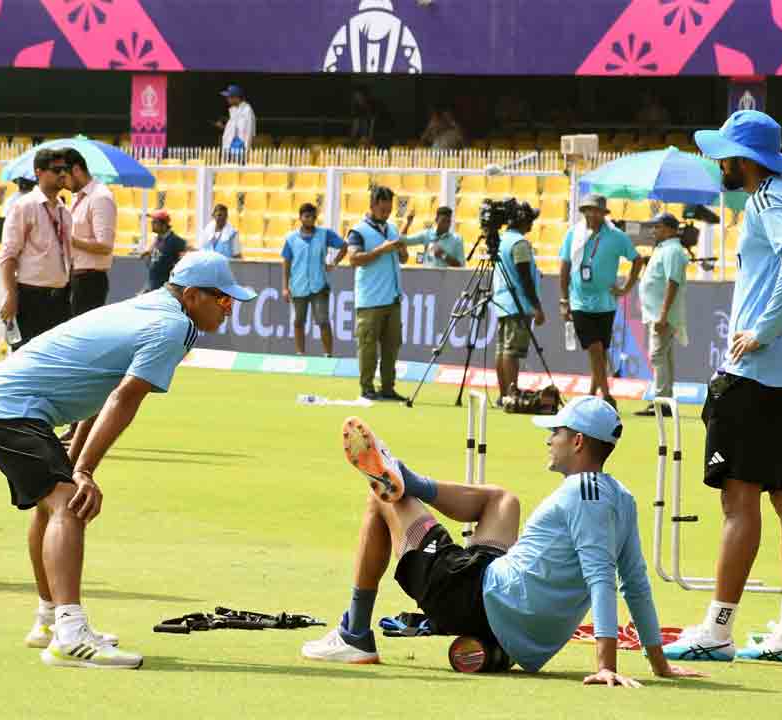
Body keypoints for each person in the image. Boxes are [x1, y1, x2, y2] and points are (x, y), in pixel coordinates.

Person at [0, 251, 255, 668]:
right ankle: (69, 636)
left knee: (55, 502)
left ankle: (50, 621)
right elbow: (124, 398)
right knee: (69, 503)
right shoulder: (172, 326)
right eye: (223, 300)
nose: (229, 309)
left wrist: (79, 463)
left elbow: (104, 391)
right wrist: (82, 471)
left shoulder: (151, 306)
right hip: (9, 406)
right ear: (192, 296)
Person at [300, 398, 708, 687]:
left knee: (381, 498)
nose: (549, 439)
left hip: (469, 595)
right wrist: (659, 663)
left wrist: (606, 665)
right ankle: (409, 479)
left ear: (578, 442)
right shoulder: (621, 496)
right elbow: (635, 583)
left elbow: (602, 578)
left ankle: (354, 634)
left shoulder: (579, 494)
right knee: (503, 500)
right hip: (513, 623)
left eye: (556, 432)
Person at [663, 110, 782, 664]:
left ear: (743, 160)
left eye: (724, 153)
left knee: (738, 502)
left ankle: (717, 630)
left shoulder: (767, 200)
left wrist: (768, 329)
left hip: (755, 376)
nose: (719, 162)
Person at [558, 194, 645, 409]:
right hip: (579, 302)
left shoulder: (616, 236)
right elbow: (564, 266)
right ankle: (607, 396)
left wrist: (626, 288)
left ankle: (590, 394)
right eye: (588, 210)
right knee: (595, 348)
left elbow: (637, 260)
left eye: (596, 210)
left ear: (603, 214)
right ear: (584, 212)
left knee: (600, 350)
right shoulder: (573, 234)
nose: (592, 214)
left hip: (606, 303)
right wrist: (564, 299)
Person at [0, 149, 73, 350]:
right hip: (31, 298)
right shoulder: (25, 206)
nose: (62, 174)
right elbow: (8, 256)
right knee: (26, 360)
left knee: (57, 361)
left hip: (61, 298)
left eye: (65, 169)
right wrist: (11, 295)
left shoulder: (64, 211)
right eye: (56, 170)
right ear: (39, 172)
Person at [349, 186, 414, 401]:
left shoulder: (392, 229)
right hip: (370, 300)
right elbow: (353, 259)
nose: (386, 214)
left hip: (392, 299)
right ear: (372, 205)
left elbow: (403, 259)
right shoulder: (358, 231)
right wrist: (380, 251)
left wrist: (402, 250)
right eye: (383, 210)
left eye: (389, 210)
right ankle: (367, 388)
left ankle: (387, 387)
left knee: (391, 347)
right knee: (368, 347)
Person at [634, 213, 690, 418]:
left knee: (658, 355)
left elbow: (672, 282)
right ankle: (665, 400)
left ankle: (660, 402)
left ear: (669, 229)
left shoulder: (673, 250)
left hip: (662, 314)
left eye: (657, 227)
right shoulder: (665, 249)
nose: (653, 231)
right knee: (663, 355)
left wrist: (663, 315)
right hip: (658, 313)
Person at [492, 204, 545, 403]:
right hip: (518, 304)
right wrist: (537, 307)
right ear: (523, 221)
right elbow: (525, 278)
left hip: (502, 302)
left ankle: (503, 394)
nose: (531, 225)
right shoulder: (519, 244)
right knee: (511, 352)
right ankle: (511, 395)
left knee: (502, 350)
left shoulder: (501, 240)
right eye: (530, 220)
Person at [280, 203, 348, 357]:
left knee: (323, 321)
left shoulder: (324, 234)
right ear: (300, 217)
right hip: (298, 286)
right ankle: (300, 353)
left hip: (319, 285)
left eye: (313, 217)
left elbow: (344, 246)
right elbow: (286, 263)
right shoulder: (291, 238)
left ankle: (328, 355)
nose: (310, 219)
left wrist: (334, 262)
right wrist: (285, 287)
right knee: (298, 321)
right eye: (307, 216)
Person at [63, 148, 116, 318]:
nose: (63, 182)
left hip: (89, 281)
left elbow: (105, 246)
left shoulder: (100, 197)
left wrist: (70, 240)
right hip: (75, 277)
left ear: (76, 170)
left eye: (65, 176)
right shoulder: (78, 197)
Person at [140, 210, 189, 293]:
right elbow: (155, 266)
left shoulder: (176, 241)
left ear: (164, 225)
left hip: (167, 290)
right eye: (152, 222)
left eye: (155, 222)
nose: (152, 224)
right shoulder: (157, 240)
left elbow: (183, 265)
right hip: (154, 287)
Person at [215, 85, 255, 157]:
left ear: (236, 98)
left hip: (239, 149)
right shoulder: (234, 109)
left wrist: (244, 152)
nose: (227, 99)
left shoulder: (246, 110)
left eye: (229, 97)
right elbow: (234, 130)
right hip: (230, 148)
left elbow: (247, 133)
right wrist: (224, 127)